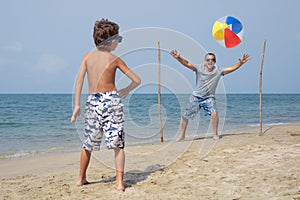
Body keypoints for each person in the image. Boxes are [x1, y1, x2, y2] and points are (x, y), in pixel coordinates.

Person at [70, 19, 141, 191]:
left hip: (92, 101)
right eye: (118, 39)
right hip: (111, 101)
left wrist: (77, 106)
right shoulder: (115, 59)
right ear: (110, 41)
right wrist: (127, 89)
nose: (119, 42)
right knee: (118, 144)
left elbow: (79, 81)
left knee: (88, 142)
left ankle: (81, 179)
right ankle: (119, 183)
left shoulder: (87, 57)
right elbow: (137, 80)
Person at [170, 50, 250, 141]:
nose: (210, 61)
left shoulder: (218, 71)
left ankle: (215, 134)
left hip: (209, 98)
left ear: (215, 62)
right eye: (208, 59)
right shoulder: (199, 68)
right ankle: (182, 135)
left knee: (214, 113)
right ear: (205, 61)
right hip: (196, 97)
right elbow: (187, 63)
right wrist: (178, 58)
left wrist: (240, 63)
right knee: (185, 115)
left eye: (212, 59)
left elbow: (231, 68)